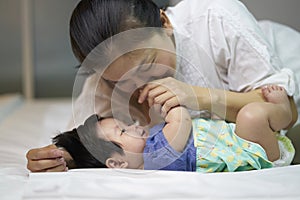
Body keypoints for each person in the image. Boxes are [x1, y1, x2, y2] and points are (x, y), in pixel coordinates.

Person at [26, 0, 298, 172]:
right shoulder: (105, 81)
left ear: (164, 23)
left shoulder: (216, 17)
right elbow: (89, 143)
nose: (139, 85)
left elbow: (286, 111)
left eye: (147, 65)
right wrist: (60, 158)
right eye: (119, 80)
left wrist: (200, 97)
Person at [52, 85, 294, 172]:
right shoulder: (155, 159)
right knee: (251, 115)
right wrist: (173, 102)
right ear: (117, 163)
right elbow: (181, 123)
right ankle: (284, 111)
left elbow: (161, 126)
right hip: (254, 155)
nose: (134, 126)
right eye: (123, 132)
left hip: (238, 142)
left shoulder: (149, 146)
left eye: (126, 123)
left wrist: (157, 113)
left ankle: (280, 116)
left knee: (249, 117)